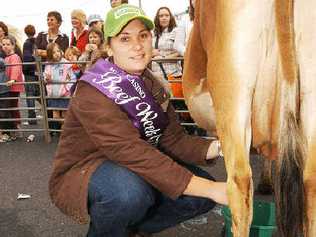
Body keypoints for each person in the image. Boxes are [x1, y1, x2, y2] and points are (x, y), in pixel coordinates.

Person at [49, 4, 227, 237]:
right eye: (125, 39)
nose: (137, 46)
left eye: (143, 35)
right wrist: (213, 189)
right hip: (87, 169)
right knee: (130, 193)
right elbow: (129, 150)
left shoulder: (151, 84)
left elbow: (174, 141)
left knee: (197, 197)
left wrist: (222, 147)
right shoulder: (93, 89)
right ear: (109, 47)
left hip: (132, 164)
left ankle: (128, 230)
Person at [44, 43, 74, 124]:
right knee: (55, 116)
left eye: (58, 51)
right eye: (53, 52)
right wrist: (46, 78)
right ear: (50, 54)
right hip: (53, 94)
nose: (57, 54)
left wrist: (66, 88)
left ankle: (64, 132)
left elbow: (73, 78)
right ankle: (63, 130)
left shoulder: (66, 64)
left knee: (65, 115)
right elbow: (45, 76)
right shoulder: (48, 65)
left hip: (64, 94)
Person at [2, 35, 24, 140]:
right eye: (3, 44)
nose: (5, 46)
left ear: (13, 45)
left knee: (13, 107)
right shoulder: (6, 58)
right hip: (7, 87)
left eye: (8, 44)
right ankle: (12, 128)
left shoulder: (15, 57)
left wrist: (13, 79)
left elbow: (16, 68)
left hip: (13, 86)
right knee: (9, 107)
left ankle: (16, 127)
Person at [151, 7, 182, 80]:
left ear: (170, 17)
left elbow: (180, 52)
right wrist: (151, 53)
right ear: (157, 19)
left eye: (166, 15)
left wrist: (163, 57)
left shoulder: (177, 31)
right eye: (161, 16)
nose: (164, 18)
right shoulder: (153, 33)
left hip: (173, 75)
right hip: (156, 76)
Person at [22, 24, 39, 124]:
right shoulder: (36, 42)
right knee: (37, 92)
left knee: (30, 94)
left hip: (29, 72)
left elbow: (27, 57)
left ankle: (31, 118)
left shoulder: (27, 43)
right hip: (36, 70)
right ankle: (46, 111)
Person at [0, 57, 13, 142]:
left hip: (3, 90)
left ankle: (7, 133)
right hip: (3, 89)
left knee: (4, 113)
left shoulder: (1, 60)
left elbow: (2, 63)